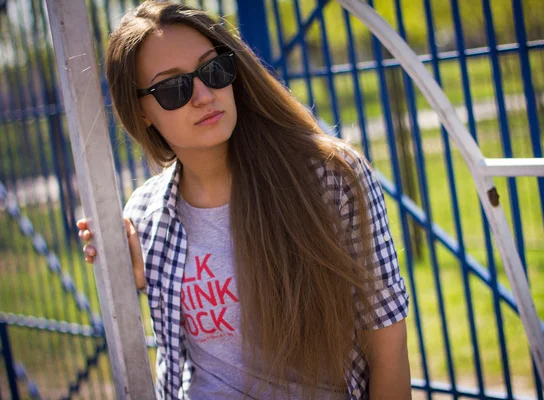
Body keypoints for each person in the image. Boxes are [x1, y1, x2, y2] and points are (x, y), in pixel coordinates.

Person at [76, 1, 410, 399]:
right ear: (141, 111)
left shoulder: (331, 179)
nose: (202, 95)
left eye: (213, 70)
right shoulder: (146, 218)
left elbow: (388, 347)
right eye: (173, 88)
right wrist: (127, 272)